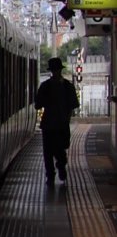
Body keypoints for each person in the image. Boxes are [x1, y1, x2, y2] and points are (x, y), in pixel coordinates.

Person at [36, 56, 80, 185]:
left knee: (52, 151)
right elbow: (73, 106)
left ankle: (55, 172)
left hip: (52, 124)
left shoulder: (45, 86)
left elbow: (37, 104)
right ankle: (53, 173)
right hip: (59, 125)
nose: (55, 72)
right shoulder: (67, 86)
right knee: (55, 151)